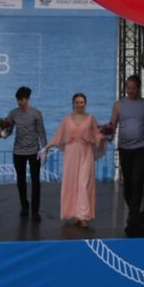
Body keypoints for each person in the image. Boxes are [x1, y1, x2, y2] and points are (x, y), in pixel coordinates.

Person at [106, 74, 144, 236]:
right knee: (128, 185)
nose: (130, 91)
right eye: (128, 88)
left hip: (141, 148)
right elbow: (113, 124)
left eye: (133, 88)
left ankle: (133, 217)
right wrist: (107, 137)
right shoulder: (118, 105)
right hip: (125, 149)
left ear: (138, 88)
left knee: (137, 181)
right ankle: (135, 213)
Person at [41, 92, 106, 227]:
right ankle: (74, 213)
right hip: (71, 154)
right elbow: (58, 136)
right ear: (73, 104)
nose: (79, 104)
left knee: (83, 183)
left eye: (82, 102)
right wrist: (46, 147)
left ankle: (83, 216)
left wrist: (105, 136)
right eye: (77, 102)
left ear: (85, 104)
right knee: (72, 183)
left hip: (86, 152)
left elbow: (97, 135)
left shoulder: (91, 119)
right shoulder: (66, 119)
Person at [3, 86, 48, 218]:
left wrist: (44, 149)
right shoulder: (13, 113)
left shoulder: (36, 113)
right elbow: (8, 130)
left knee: (36, 182)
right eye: (18, 100)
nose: (21, 102)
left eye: (23, 99)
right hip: (18, 152)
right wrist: (3, 133)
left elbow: (41, 132)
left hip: (34, 151)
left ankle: (35, 210)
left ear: (28, 99)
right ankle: (24, 206)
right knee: (20, 181)